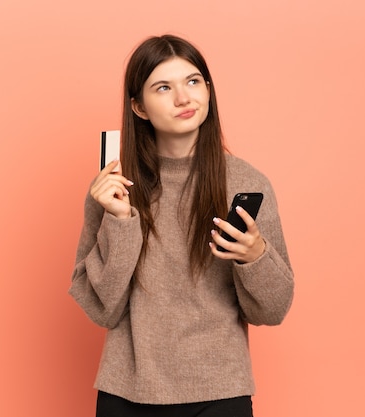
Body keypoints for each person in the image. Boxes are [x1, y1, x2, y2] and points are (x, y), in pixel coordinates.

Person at [69, 34, 294, 417]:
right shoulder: (113, 187)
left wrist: (255, 256)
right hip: (126, 392)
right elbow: (102, 310)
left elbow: (271, 312)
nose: (184, 98)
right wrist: (121, 221)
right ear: (139, 107)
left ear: (208, 89)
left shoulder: (246, 183)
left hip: (221, 391)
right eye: (163, 87)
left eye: (193, 81)